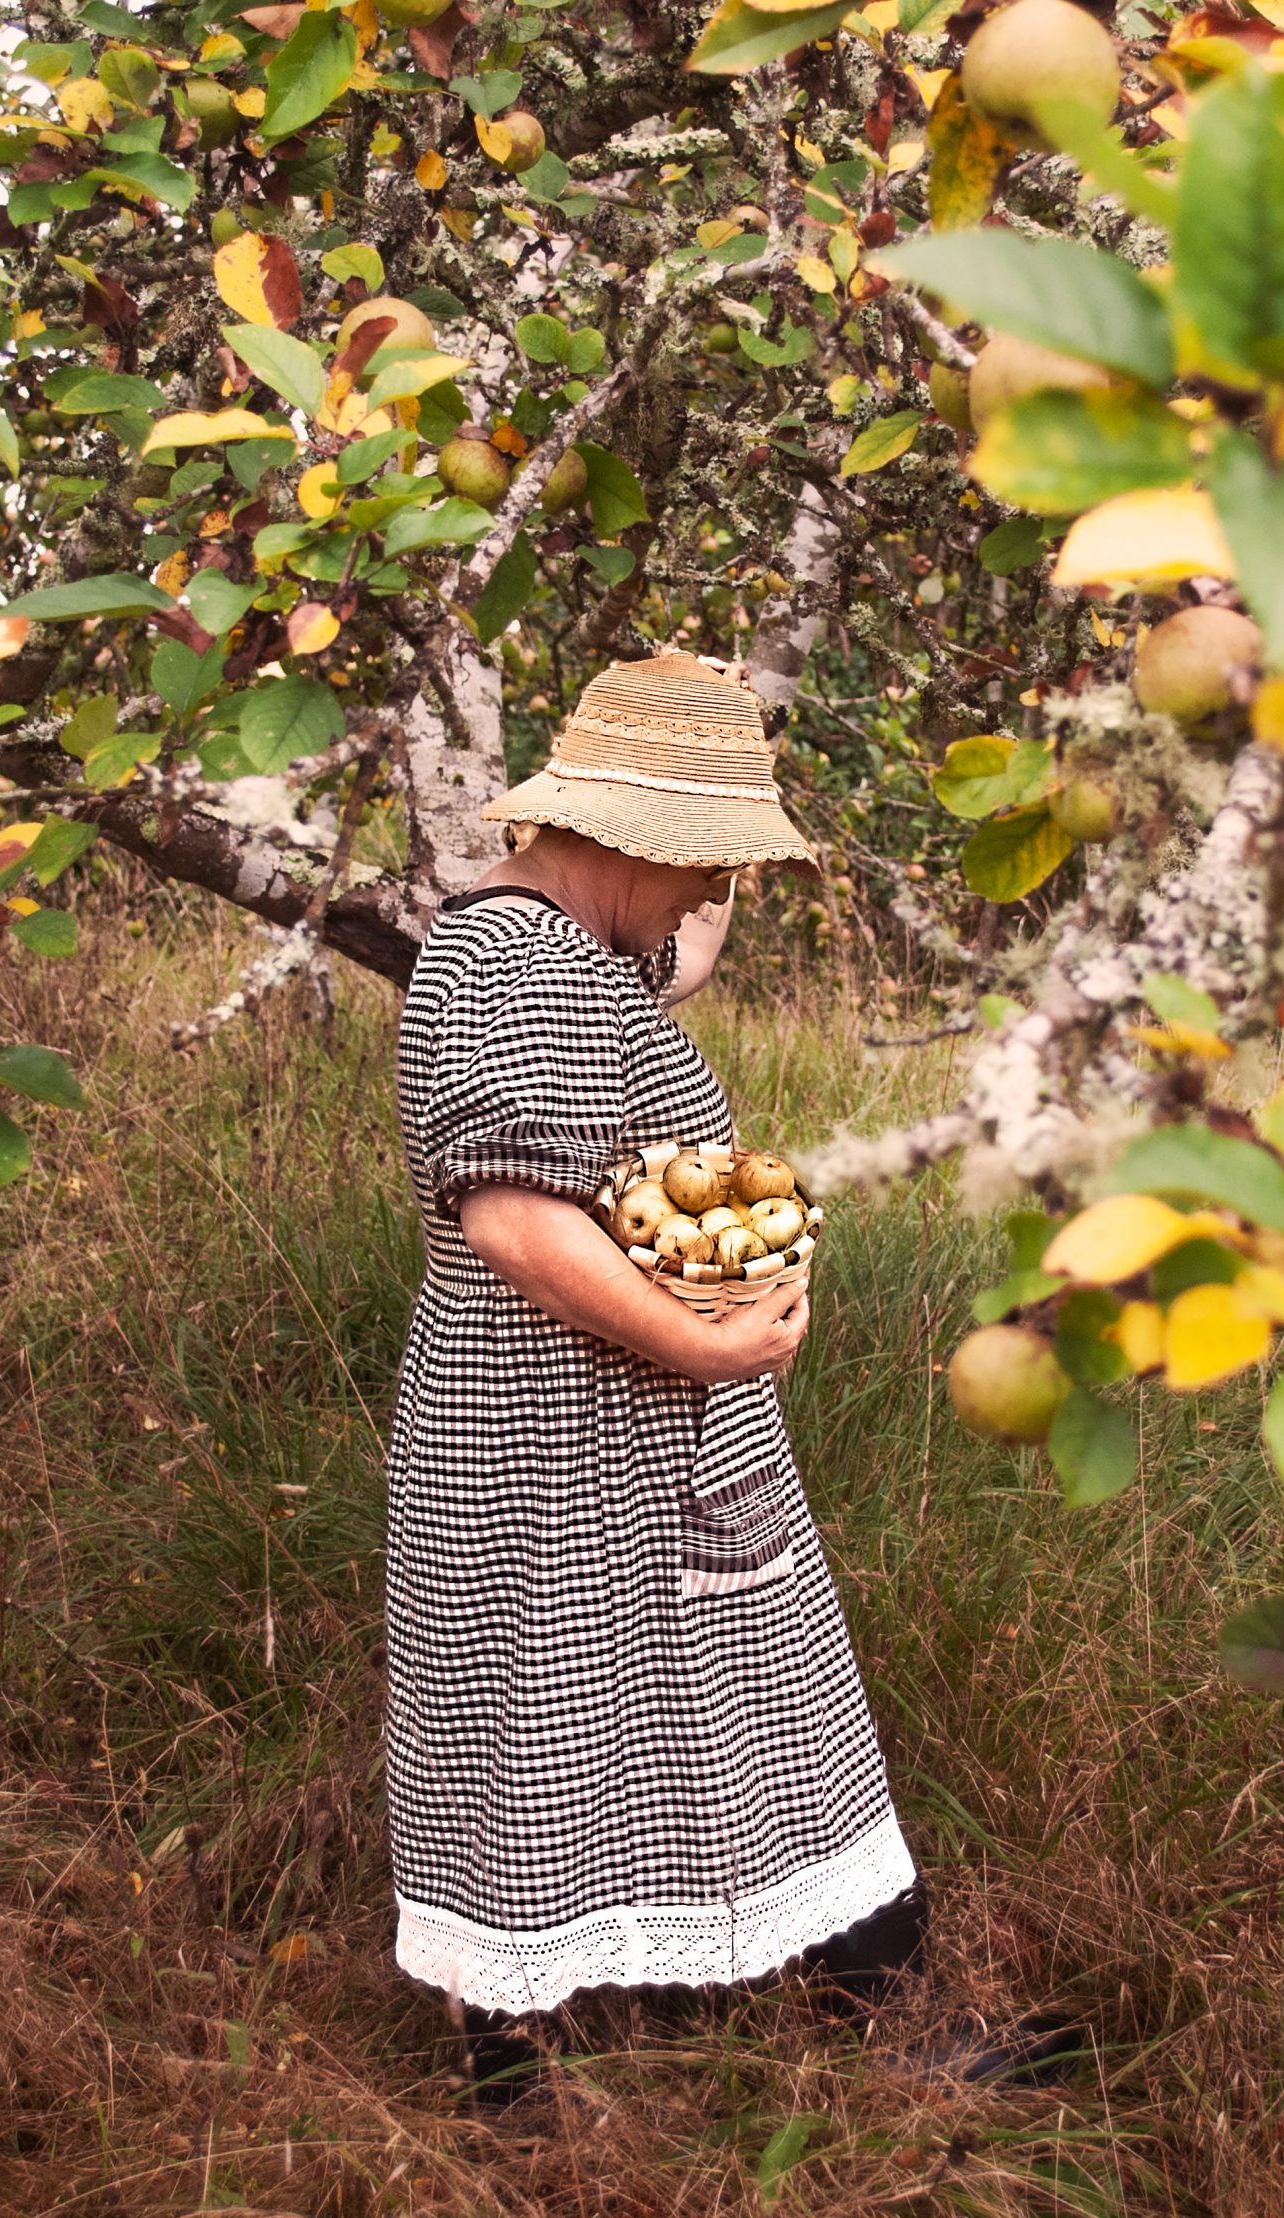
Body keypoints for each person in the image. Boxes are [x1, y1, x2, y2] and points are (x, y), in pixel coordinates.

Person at [386, 649, 927, 2106]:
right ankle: (513, 2085)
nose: (709, 897)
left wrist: (710, 853)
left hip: (622, 1435)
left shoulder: (571, 944)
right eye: (702, 864)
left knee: (687, 1694)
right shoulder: (512, 964)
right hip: (555, 1437)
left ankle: (814, 2006)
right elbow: (510, 1212)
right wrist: (711, 1342)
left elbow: (658, 972)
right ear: (623, 839)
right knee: (537, 1714)